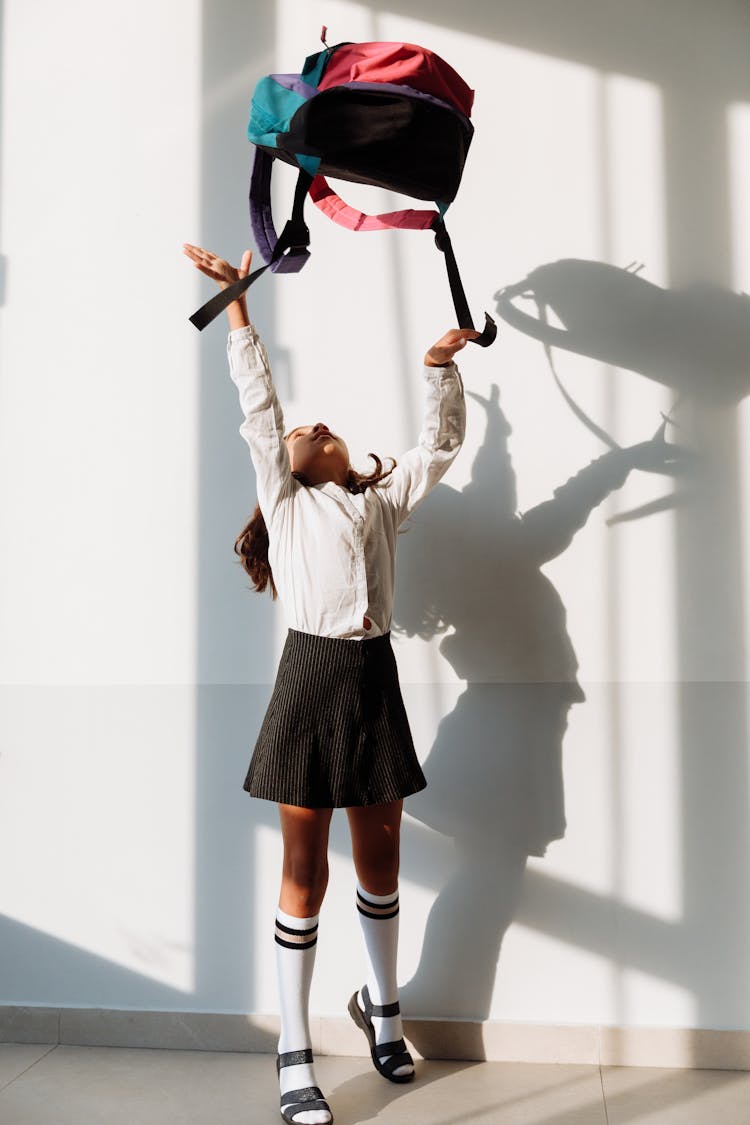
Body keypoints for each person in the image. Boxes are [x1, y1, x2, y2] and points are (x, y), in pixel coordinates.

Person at [183, 243, 475, 1125]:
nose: (307, 427)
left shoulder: (381, 502)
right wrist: (238, 308)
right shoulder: (288, 499)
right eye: (299, 433)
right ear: (292, 465)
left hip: (372, 676)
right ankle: (293, 1053)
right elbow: (258, 408)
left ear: (341, 453)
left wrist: (438, 370)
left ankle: (383, 1013)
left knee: (380, 864)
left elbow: (443, 443)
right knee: (303, 869)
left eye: (318, 426)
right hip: (309, 676)